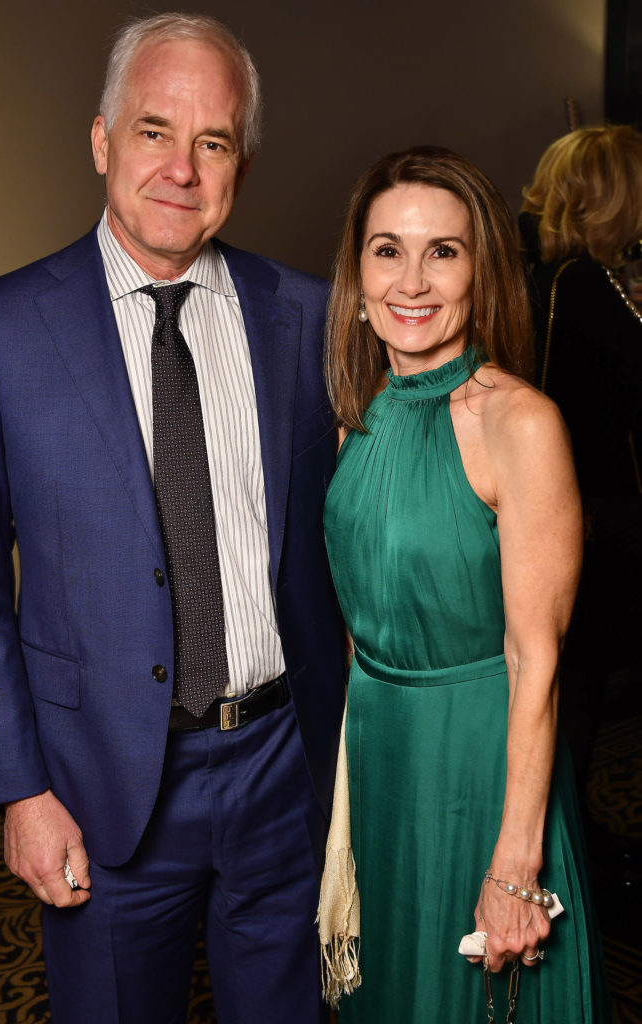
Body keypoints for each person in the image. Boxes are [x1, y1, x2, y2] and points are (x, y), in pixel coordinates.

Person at [0, 13, 345, 1024]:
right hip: (98, 786)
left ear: (239, 161)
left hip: (281, 768)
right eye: (156, 130)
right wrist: (19, 791)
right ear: (103, 139)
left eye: (213, 141)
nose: (182, 168)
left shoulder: (304, 315)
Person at [322, 147, 611, 1022]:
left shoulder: (518, 421)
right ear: (358, 273)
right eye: (388, 250)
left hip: (479, 761)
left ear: (481, 267)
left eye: (443, 251)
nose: (412, 279)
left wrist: (515, 867)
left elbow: (536, 660)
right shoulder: (359, 414)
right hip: (379, 754)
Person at [520, 126, 642, 796]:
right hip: (589, 512)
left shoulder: (541, 273)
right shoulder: (582, 282)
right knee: (574, 687)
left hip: (573, 506)